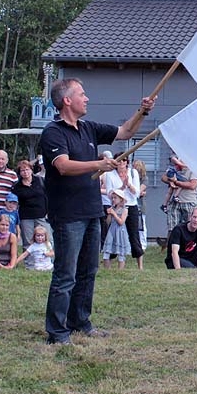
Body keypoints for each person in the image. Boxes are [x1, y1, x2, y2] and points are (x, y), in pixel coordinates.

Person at [40, 77, 157, 346]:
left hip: (92, 211)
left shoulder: (89, 128)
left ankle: (80, 322)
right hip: (68, 214)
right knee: (65, 274)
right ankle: (57, 332)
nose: (87, 98)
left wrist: (143, 111)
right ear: (67, 100)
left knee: (88, 271)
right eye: (82, 94)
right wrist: (98, 164)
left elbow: (125, 132)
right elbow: (63, 166)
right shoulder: (54, 132)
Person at [100, 156, 144, 269]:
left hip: (131, 205)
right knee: (112, 234)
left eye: (124, 160)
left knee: (134, 234)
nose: (121, 162)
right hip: (116, 206)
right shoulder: (110, 174)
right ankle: (110, 263)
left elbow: (137, 193)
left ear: (127, 162)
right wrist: (121, 188)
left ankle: (140, 265)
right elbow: (110, 193)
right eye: (119, 160)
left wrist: (128, 185)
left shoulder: (133, 173)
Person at [12, 158, 51, 250]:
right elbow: (15, 203)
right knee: (28, 242)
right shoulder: (17, 187)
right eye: (22, 170)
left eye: (27, 169)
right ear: (19, 173)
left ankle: (48, 262)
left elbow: (48, 196)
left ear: (31, 170)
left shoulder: (41, 181)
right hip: (26, 217)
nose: (25, 172)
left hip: (42, 215)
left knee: (47, 240)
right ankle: (30, 263)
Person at [161, 153, 197, 233]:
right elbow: (163, 178)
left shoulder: (193, 170)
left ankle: (186, 245)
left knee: (189, 228)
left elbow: (192, 185)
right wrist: (171, 181)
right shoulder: (175, 169)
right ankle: (171, 244)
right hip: (174, 203)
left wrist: (176, 182)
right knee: (172, 229)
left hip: (188, 202)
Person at [102, 189, 130, 269]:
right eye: (112, 198)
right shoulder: (112, 208)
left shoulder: (125, 210)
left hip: (120, 231)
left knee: (121, 252)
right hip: (112, 230)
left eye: (115, 198)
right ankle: (107, 269)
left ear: (121, 199)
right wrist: (109, 215)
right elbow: (108, 222)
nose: (113, 200)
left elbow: (121, 222)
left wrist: (114, 214)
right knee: (107, 251)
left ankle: (120, 269)